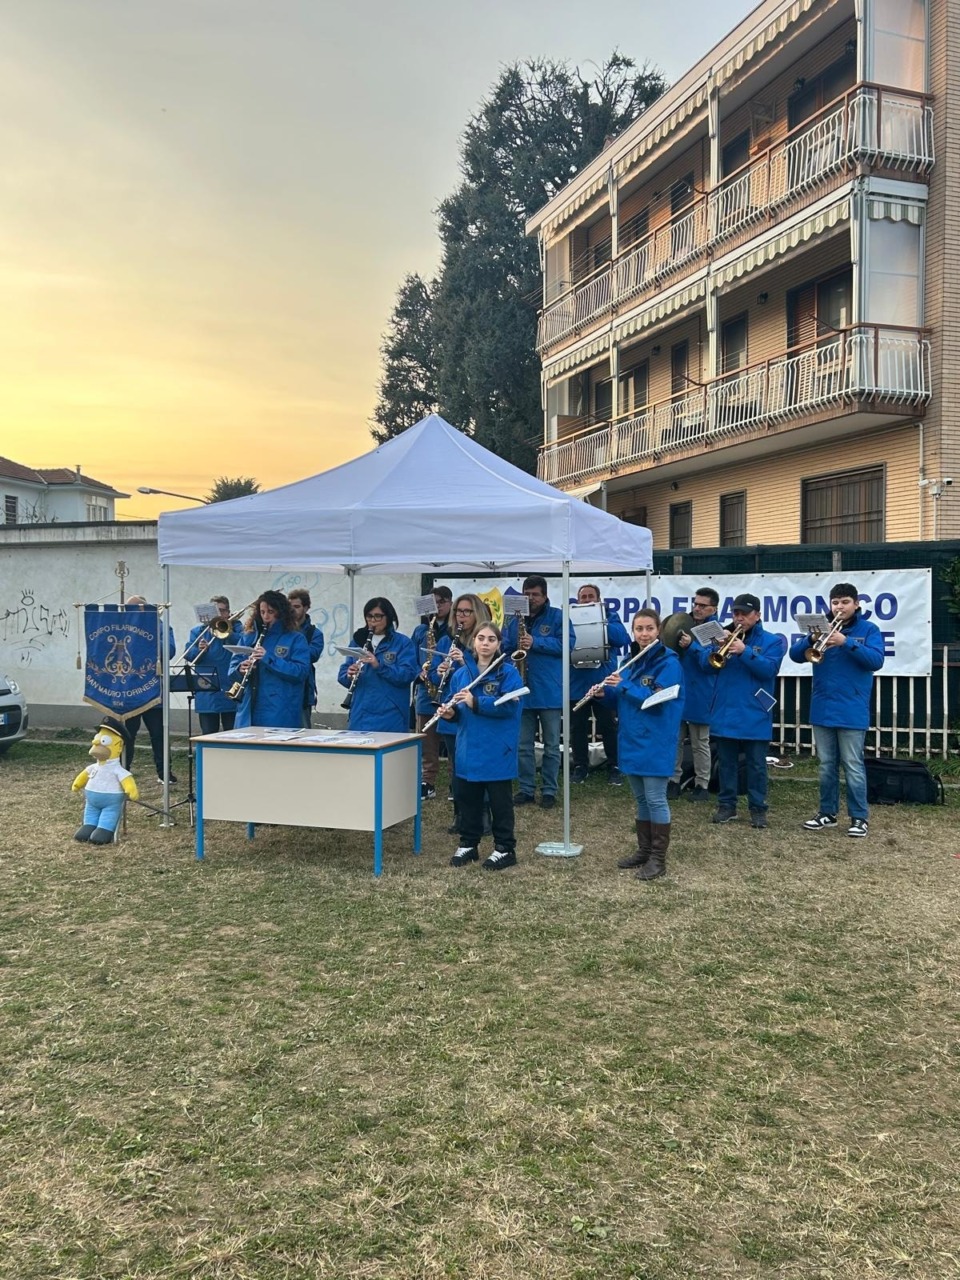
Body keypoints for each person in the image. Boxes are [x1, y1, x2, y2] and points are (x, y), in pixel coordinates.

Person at [588, 608, 684, 881]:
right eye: (639, 629)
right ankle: (644, 850)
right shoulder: (630, 660)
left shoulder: (669, 663)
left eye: (649, 629)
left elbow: (655, 699)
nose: (643, 634)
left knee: (655, 798)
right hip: (631, 737)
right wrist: (602, 694)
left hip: (655, 738)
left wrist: (624, 686)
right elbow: (619, 699)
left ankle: (658, 858)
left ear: (658, 631)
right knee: (640, 799)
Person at [790, 582, 885, 838]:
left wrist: (846, 642)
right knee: (826, 765)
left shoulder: (869, 629)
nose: (839, 607)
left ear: (856, 604)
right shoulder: (820, 627)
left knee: (853, 765)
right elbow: (795, 655)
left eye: (844, 602)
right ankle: (827, 813)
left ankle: (859, 817)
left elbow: (876, 661)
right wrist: (811, 638)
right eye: (835, 602)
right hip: (822, 706)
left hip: (852, 708)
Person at [698, 592, 786, 828]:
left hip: (755, 710)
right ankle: (727, 805)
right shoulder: (722, 636)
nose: (739, 618)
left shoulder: (773, 641)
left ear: (757, 615)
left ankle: (758, 808)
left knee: (757, 765)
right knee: (726, 763)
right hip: (725, 709)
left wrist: (745, 650)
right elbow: (705, 668)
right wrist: (714, 648)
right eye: (736, 613)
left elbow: (769, 670)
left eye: (744, 614)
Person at [441, 622, 524, 871]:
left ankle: (505, 848)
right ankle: (469, 842)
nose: (485, 643)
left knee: (500, 801)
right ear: (473, 642)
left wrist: (476, 702)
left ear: (499, 644)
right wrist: (449, 713)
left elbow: (510, 706)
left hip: (497, 746)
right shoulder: (460, 674)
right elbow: (457, 709)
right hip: (468, 746)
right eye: (480, 638)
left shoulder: (508, 673)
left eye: (491, 639)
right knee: (468, 797)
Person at [502, 575, 574, 810]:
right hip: (522, 689)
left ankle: (550, 790)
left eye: (535, 594)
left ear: (544, 596)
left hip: (549, 690)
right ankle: (526, 789)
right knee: (523, 745)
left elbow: (568, 644)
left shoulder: (557, 616)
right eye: (527, 593)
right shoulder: (514, 617)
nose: (530, 598)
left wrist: (537, 642)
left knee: (552, 745)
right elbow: (504, 647)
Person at [434, 593, 491, 832]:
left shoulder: (486, 639)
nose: (461, 616)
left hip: (475, 711)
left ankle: (484, 815)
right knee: (457, 768)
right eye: (458, 611)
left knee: (478, 764)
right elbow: (434, 678)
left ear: (476, 613)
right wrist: (437, 670)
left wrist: (462, 661)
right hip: (451, 711)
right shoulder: (447, 640)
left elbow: (486, 675)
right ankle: (461, 815)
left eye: (467, 612)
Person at [569, 583, 630, 786]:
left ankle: (614, 766)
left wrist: (599, 620)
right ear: (577, 600)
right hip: (577, 683)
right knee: (577, 727)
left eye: (590, 597)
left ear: (599, 599)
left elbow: (622, 639)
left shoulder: (610, 616)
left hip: (604, 684)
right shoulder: (569, 618)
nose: (586, 600)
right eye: (583, 597)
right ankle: (580, 766)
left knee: (608, 726)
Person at [227, 591, 311, 729]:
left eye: (271, 612)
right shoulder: (248, 636)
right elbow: (231, 669)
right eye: (262, 612)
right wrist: (240, 669)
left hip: (279, 711)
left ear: (281, 612)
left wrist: (269, 659)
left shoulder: (295, 638)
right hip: (248, 710)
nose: (266, 617)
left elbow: (300, 672)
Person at [336, 597, 418, 734]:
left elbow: (408, 674)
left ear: (389, 617)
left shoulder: (403, 643)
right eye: (369, 616)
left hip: (391, 714)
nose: (373, 621)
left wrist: (379, 665)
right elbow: (343, 673)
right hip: (361, 712)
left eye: (378, 616)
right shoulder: (358, 641)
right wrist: (349, 675)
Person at [668, 586, 719, 802]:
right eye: (695, 603)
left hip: (701, 692)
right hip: (679, 689)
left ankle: (702, 785)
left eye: (702, 605)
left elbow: (709, 664)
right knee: (675, 739)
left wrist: (691, 647)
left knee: (700, 742)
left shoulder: (715, 630)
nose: (697, 608)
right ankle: (673, 781)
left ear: (713, 608)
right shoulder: (683, 622)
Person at [123, 596, 177, 784]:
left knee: (159, 735)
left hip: (153, 692)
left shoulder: (162, 627)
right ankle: (123, 771)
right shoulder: (123, 628)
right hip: (129, 692)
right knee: (127, 735)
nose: (131, 614)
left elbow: (169, 651)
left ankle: (164, 773)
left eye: (136, 609)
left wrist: (151, 632)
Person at [411, 586, 453, 800]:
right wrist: (419, 672)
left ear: (450, 603)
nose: (437, 607)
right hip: (425, 691)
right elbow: (411, 657)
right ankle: (427, 781)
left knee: (453, 738)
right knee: (427, 739)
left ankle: (456, 781)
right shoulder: (420, 631)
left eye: (442, 602)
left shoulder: (454, 629)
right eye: (433, 603)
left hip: (449, 690)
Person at [183, 596, 242, 736]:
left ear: (228, 612)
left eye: (222, 611)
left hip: (230, 688)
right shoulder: (198, 632)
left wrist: (229, 632)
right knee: (208, 734)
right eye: (215, 611)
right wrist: (199, 650)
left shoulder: (236, 627)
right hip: (207, 692)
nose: (219, 615)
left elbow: (243, 645)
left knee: (233, 734)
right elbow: (188, 655)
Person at [287, 589, 325, 729]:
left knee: (303, 732)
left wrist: (295, 637)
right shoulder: (282, 630)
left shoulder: (314, 633)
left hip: (303, 691)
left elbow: (311, 655)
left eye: (296, 607)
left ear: (306, 608)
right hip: (283, 689)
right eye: (290, 607)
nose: (292, 610)